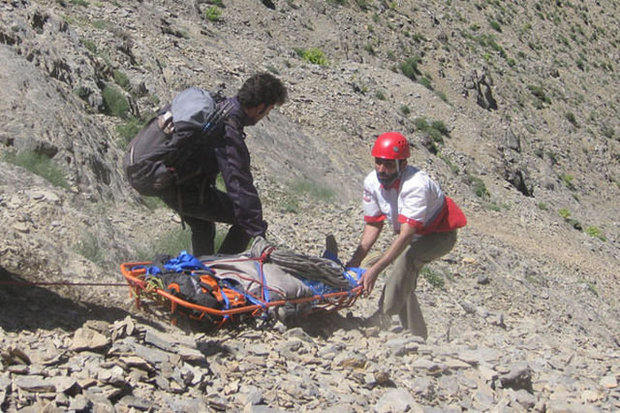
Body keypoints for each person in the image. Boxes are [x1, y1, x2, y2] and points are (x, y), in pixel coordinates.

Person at [124, 73, 288, 256]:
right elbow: (238, 183)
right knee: (245, 220)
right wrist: (257, 229)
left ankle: (199, 273)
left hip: (162, 176)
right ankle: (222, 270)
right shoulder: (227, 128)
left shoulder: (217, 105)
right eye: (268, 111)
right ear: (261, 107)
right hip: (178, 186)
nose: (264, 116)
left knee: (203, 226)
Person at [346, 132, 467, 339]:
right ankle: (417, 334)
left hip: (439, 235)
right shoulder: (372, 182)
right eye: (378, 163)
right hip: (413, 233)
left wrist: (374, 270)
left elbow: (405, 236)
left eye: (389, 165)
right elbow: (374, 224)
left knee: (406, 260)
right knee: (404, 280)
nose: (381, 170)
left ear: (402, 164)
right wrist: (355, 261)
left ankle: (382, 317)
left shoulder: (416, 185)